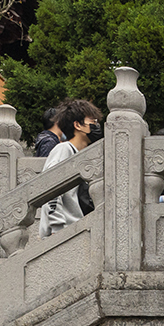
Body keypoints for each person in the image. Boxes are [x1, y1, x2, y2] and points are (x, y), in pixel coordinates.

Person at [38, 98, 100, 236]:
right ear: (78, 125)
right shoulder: (63, 149)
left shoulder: (81, 155)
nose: (97, 126)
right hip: (63, 233)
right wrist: (57, 228)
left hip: (77, 231)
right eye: (93, 122)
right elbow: (49, 188)